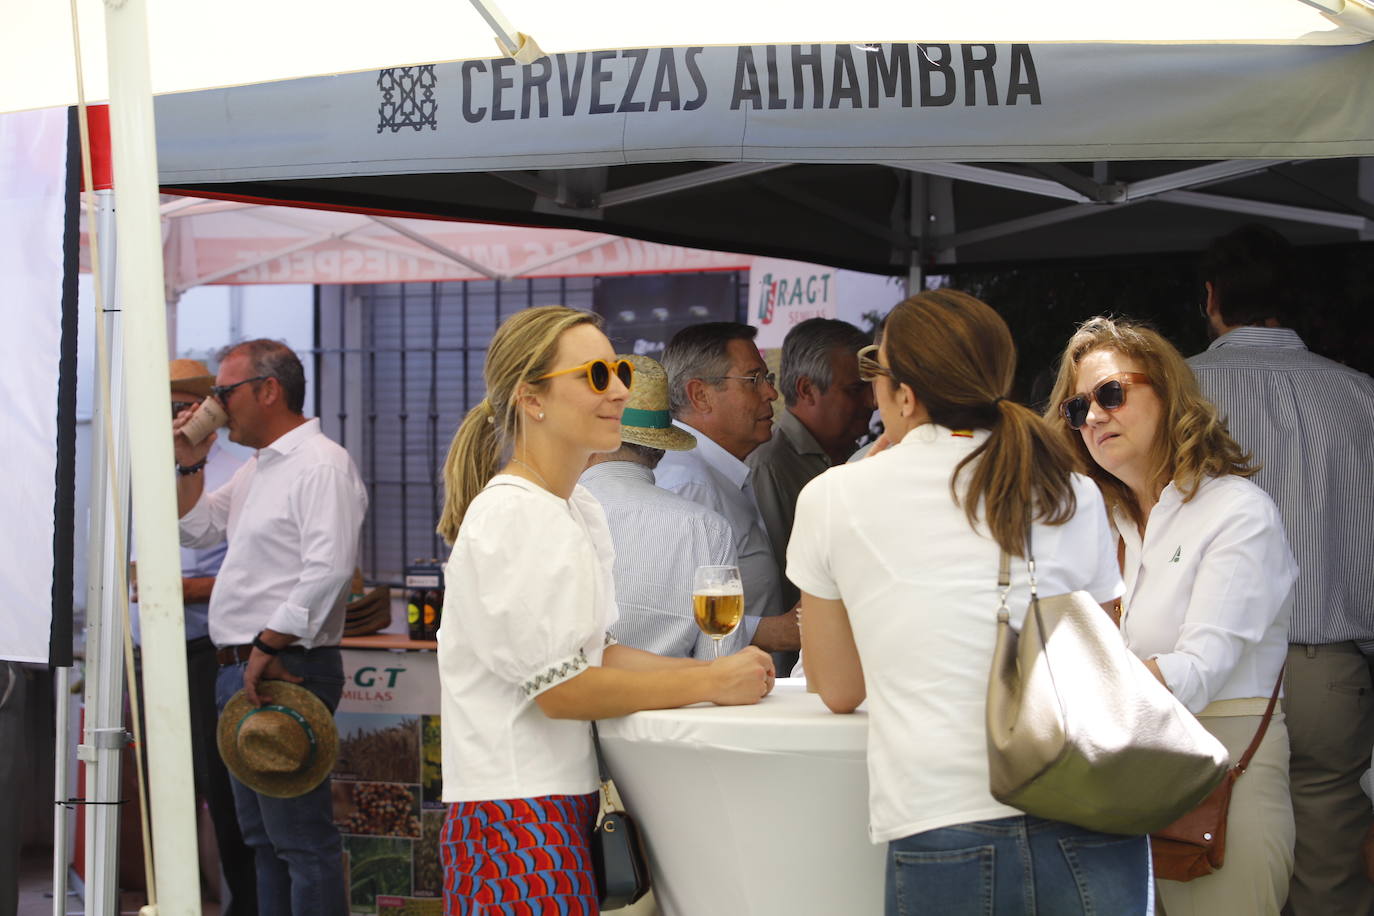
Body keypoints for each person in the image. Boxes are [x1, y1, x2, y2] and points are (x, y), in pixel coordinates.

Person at [790, 290, 1149, 916]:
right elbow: (1104, 650)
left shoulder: (834, 497)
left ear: (903, 395)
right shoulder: (1071, 490)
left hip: (943, 815)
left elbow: (839, 688)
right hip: (1090, 810)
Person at [434, 306, 775, 914]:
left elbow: (599, 653)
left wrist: (722, 677)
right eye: (595, 375)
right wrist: (710, 678)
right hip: (515, 813)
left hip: (552, 806)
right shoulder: (517, 512)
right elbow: (561, 691)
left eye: (616, 370)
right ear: (532, 399)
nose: (619, 389)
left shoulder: (570, 507)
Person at [1046, 316, 1296, 915]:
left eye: (1112, 394)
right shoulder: (1102, 524)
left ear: (1167, 391)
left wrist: (1069, 697)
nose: (1096, 417)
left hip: (1220, 783)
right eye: (1080, 408)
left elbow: (1199, 669)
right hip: (1124, 791)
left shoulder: (1236, 511)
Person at [1190, 224, 1374, 916]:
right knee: (1331, 884)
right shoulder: (1360, 397)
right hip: (1328, 670)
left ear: (1211, 298)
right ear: (1290, 303)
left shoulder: (1170, 392)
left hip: (1213, 672)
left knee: (1213, 869)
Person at [174, 339, 367, 916]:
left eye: (223, 392)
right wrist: (190, 457)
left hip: (282, 664)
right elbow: (195, 529)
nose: (217, 403)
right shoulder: (265, 465)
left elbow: (329, 569)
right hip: (250, 663)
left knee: (299, 842)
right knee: (262, 839)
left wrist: (267, 641)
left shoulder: (320, 464)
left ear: (267, 390)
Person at [154, 359, 257, 914]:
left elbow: (254, 570)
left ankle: (240, 903)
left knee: (223, 793)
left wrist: (181, 590)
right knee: (169, 793)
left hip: (203, 651)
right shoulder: (149, 467)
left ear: (204, 410)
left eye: (178, 406)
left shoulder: (239, 470)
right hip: (155, 651)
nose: (171, 418)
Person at [579, 354, 752, 658]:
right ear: (660, 449)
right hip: (677, 703)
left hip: (568, 703)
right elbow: (720, 662)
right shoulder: (707, 528)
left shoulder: (546, 514)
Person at [656, 322, 800, 673]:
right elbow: (665, 616)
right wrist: (776, 632)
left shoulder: (717, 472)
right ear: (700, 395)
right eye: (754, 380)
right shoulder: (686, 483)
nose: (771, 393)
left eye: (768, 378)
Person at [747, 318, 874, 612]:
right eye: (855, 390)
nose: (873, 401)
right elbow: (784, 587)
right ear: (806, 390)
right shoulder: (770, 467)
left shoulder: (859, 456)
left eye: (871, 387)